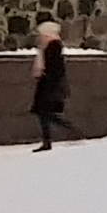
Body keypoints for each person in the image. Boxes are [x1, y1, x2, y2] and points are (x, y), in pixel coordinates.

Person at [32, 19, 76, 151]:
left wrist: (46, 77)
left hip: (50, 85)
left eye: (42, 34)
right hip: (47, 84)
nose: (40, 36)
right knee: (43, 112)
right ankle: (48, 140)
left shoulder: (53, 46)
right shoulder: (47, 46)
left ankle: (71, 129)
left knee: (46, 112)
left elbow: (56, 68)